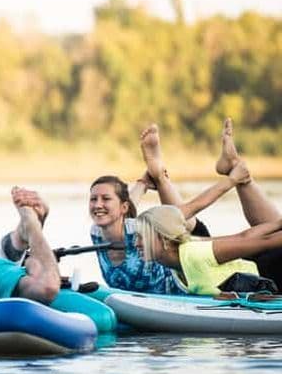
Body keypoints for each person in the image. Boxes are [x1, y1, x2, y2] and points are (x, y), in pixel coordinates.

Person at [89, 123, 241, 294]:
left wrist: (232, 181)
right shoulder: (96, 232)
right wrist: (142, 184)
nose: (97, 205)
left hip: (189, 275)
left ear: (123, 207)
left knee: (179, 216)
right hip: (138, 306)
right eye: (93, 199)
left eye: (105, 199)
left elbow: (194, 206)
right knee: (175, 216)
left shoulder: (140, 228)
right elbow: (124, 206)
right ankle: (156, 174)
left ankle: (159, 174)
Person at [135, 119, 282, 294]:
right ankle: (162, 177)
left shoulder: (194, 253)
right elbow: (240, 236)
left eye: (142, 237)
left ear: (165, 240)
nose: (136, 243)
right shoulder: (181, 251)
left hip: (269, 277)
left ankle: (162, 178)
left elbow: (252, 239)